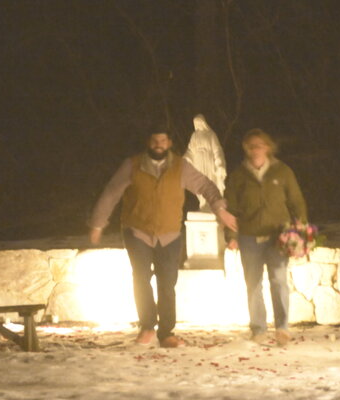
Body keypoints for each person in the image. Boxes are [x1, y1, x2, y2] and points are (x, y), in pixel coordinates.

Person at [89, 126, 237, 348]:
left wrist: (220, 209)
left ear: (169, 143)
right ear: (149, 142)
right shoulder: (132, 165)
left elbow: (206, 185)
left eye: (163, 140)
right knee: (141, 278)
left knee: (167, 283)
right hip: (137, 231)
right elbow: (111, 192)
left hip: (169, 234)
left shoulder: (180, 166)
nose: (159, 144)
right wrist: (98, 223)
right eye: (155, 140)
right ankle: (147, 326)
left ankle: (167, 332)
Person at [224, 129, 307, 347]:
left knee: (279, 281)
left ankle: (282, 327)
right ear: (246, 149)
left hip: (278, 236)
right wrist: (231, 235)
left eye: (259, 145)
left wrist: (300, 226)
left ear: (268, 147)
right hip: (249, 236)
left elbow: (296, 201)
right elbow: (231, 207)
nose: (255, 150)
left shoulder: (282, 172)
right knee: (253, 284)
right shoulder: (238, 175)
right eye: (251, 146)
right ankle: (258, 329)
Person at [183, 114, 227, 211]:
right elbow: (190, 150)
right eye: (196, 123)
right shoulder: (194, 136)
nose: (198, 124)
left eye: (199, 122)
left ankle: (212, 203)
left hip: (208, 161)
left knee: (210, 180)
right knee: (200, 182)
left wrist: (219, 163)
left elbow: (217, 149)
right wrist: (186, 159)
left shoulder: (210, 134)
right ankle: (203, 203)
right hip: (198, 162)